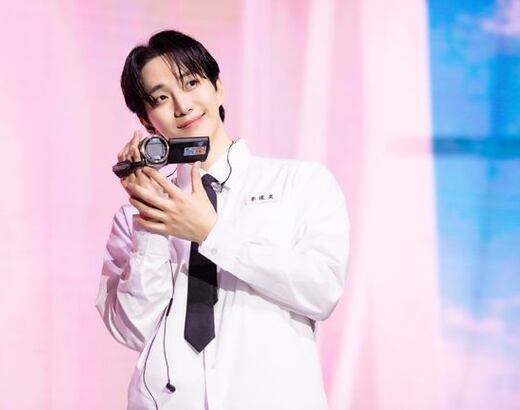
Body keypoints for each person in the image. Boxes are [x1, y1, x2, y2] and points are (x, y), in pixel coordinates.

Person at [96, 30, 350, 410]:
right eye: (161, 98)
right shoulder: (135, 215)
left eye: (191, 83)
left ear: (218, 88)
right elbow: (132, 330)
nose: (182, 105)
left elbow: (322, 291)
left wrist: (211, 234)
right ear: (147, 122)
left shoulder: (299, 183)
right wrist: (151, 218)